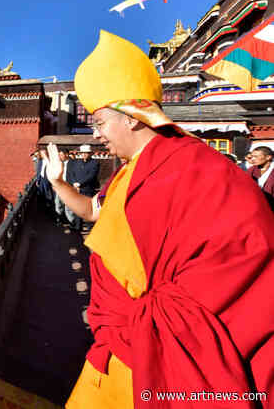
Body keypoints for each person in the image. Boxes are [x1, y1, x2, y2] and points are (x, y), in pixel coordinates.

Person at [44, 30, 274, 409]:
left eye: (100, 122)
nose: (98, 135)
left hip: (157, 354)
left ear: (132, 117)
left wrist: (147, 325)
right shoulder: (126, 176)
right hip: (121, 348)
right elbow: (92, 213)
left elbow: (246, 256)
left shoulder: (206, 174)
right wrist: (56, 182)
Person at [67, 144, 100, 231]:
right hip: (76, 189)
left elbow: (91, 176)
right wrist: (74, 183)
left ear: (90, 154)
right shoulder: (76, 162)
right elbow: (72, 173)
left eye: (86, 153)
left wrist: (80, 183)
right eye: (83, 153)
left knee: (88, 209)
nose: (84, 154)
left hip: (87, 189)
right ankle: (78, 227)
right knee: (77, 209)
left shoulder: (94, 163)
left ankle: (91, 228)